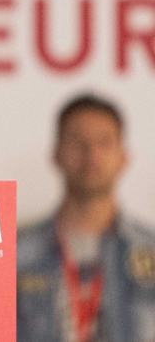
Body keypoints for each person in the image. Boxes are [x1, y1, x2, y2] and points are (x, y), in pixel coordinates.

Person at [17, 94, 155, 342]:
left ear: (124, 157)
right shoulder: (15, 253)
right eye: (77, 141)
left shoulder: (150, 249)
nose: (91, 154)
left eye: (104, 142)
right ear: (56, 154)